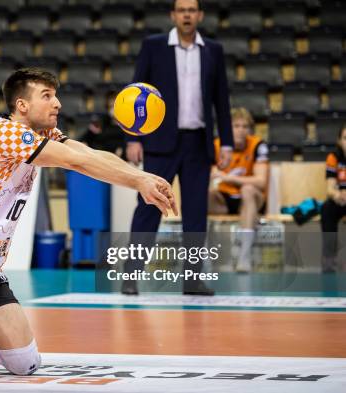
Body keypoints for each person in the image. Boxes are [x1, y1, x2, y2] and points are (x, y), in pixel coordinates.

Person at [0, 68, 178, 379]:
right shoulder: (4, 133)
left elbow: (88, 153)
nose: (58, 104)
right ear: (22, 106)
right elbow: (75, 162)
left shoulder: (44, 135)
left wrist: (144, 176)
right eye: (47, 96)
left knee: (25, 364)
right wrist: (137, 183)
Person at [123, 0, 233, 295]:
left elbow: (221, 100)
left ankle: (192, 279)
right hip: (160, 142)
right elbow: (136, 94)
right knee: (149, 208)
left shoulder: (213, 50)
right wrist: (133, 137)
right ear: (173, 15)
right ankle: (131, 276)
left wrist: (228, 142)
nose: (187, 14)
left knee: (197, 213)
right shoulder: (154, 45)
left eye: (191, 10)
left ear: (200, 15)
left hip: (198, 142)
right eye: (181, 10)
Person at [208, 107, 269, 273]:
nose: (241, 131)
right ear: (228, 128)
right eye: (236, 126)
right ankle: (200, 256)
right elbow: (211, 173)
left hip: (251, 199)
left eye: (245, 126)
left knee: (248, 189)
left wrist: (229, 178)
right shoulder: (217, 145)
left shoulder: (258, 145)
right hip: (225, 198)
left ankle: (244, 255)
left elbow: (261, 181)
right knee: (201, 197)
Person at [320, 124, 346, 273]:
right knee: (327, 209)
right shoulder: (333, 157)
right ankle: (329, 259)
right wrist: (337, 195)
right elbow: (330, 188)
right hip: (341, 200)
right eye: (345, 138)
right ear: (339, 141)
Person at [79, 91, 124, 155]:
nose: (113, 110)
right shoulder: (100, 122)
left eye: (115, 107)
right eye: (110, 107)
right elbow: (85, 138)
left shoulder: (126, 125)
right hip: (101, 156)